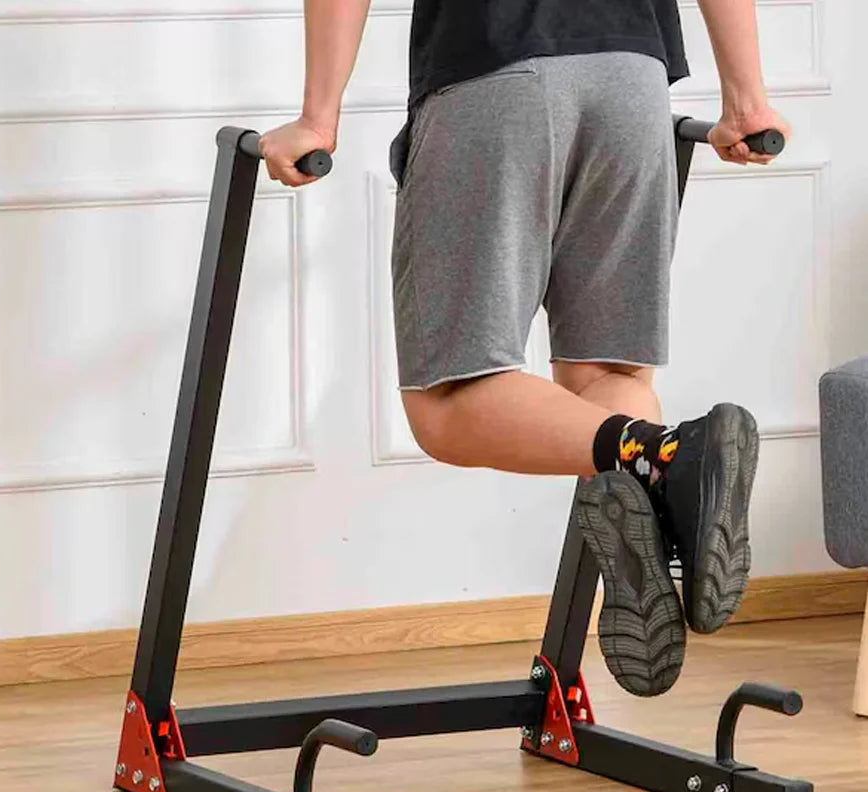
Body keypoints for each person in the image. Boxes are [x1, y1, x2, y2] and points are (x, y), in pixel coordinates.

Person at [258, 0, 790, 698]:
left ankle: (666, 458)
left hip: (497, 72)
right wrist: (747, 100)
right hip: (634, 75)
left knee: (447, 402)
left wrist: (317, 119)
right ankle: (659, 472)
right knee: (606, 372)